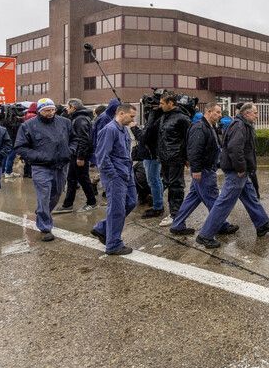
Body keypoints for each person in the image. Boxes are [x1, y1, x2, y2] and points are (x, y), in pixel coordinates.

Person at [195, 103, 269, 248]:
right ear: (247, 114)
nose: (257, 116)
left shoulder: (242, 125)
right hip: (236, 171)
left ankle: (262, 224)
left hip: (239, 170)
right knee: (225, 202)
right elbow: (235, 148)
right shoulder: (240, 126)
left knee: (250, 196)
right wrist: (240, 168)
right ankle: (205, 235)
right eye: (255, 113)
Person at [169, 103, 239, 237]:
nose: (219, 116)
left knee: (193, 198)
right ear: (208, 111)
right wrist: (196, 169)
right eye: (217, 113)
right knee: (213, 199)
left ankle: (177, 224)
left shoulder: (209, 126)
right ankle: (221, 225)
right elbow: (195, 150)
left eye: (219, 113)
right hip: (204, 171)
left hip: (205, 169)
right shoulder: (200, 127)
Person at [14, 98, 76, 241]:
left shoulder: (64, 122)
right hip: (41, 167)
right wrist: (38, 156)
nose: (50, 113)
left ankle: (43, 211)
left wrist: (70, 151)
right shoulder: (29, 125)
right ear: (39, 111)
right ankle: (45, 227)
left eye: (52, 110)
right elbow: (20, 147)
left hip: (61, 165)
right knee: (44, 195)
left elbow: (74, 139)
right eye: (47, 110)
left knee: (57, 193)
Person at [89, 103, 138, 255]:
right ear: (121, 114)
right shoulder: (109, 130)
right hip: (115, 176)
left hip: (126, 174)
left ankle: (102, 229)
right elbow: (102, 157)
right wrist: (114, 175)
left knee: (131, 202)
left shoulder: (123, 129)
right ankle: (113, 244)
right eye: (131, 116)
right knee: (116, 210)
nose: (132, 120)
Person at [150, 93, 191, 227]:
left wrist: (187, 157)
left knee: (176, 186)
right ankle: (174, 211)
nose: (160, 105)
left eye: (162, 103)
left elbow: (188, 139)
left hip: (176, 157)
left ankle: (176, 214)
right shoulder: (163, 117)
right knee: (169, 183)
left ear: (171, 103)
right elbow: (152, 130)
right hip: (164, 157)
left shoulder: (182, 118)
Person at [54, 99, 97, 214]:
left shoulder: (80, 119)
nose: (66, 109)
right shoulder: (79, 118)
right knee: (71, 179)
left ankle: (92, 202)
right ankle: (68, 204)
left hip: (79, 155)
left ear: (73, 107)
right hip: (76, 154)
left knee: (83, 178)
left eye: (68, 107)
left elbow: (83, 139)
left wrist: (81, 157)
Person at [0, 104, 24, 179]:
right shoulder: (14, 120)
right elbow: (17, 128)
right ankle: (8, 172)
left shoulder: (4, 118)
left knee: (5, 156)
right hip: (13, 140)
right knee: (11, 156)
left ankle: (3, 171)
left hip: (6, 139)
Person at [22, 102, 37, 178]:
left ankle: (26, 172)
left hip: (27, 136)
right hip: (33, 137)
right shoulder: (35, 116)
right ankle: (30, 173)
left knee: (27, 157)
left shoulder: (26, 115)